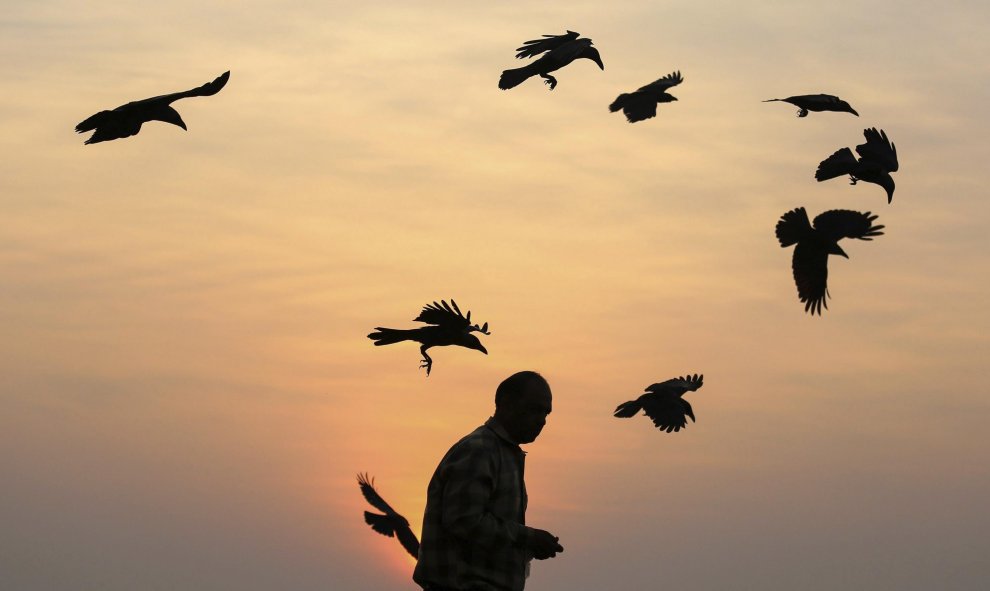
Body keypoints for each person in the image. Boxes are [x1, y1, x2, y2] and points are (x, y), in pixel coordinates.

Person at [413, 371, 564, 591]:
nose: (542, 420)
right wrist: (528, 538)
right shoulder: (480, 450)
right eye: (534, 409)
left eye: (546, 413)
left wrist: (528, 546)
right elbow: (464, 521)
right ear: (506, 404)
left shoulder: (503, 454)